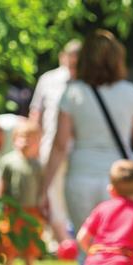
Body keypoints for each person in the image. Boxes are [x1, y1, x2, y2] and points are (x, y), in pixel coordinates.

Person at [41, 29, 133, 265]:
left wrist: (45, 187)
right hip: (120, 179)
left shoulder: (73, 93)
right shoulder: (130, 93)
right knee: (122, 248)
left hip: (80, 177)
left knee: (87, 249)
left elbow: (60, 146)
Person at [30, 39, 81, 246]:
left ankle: (77, 238)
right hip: (50, 144)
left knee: (75, 192)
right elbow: (36, 113)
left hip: (78, 148)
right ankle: (61, 240)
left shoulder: (89, 81)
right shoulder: (49, 79)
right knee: (51, 192)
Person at [0, 120, 44, 265]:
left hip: (32, 212)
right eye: (23, 137)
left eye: (31, 138)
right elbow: (1, 187)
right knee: (9, 245)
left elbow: (42, 189)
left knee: (31, 246)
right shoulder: (8, 161)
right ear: (15, 138)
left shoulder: (38, 165)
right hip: (12, 211)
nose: (26, 142)